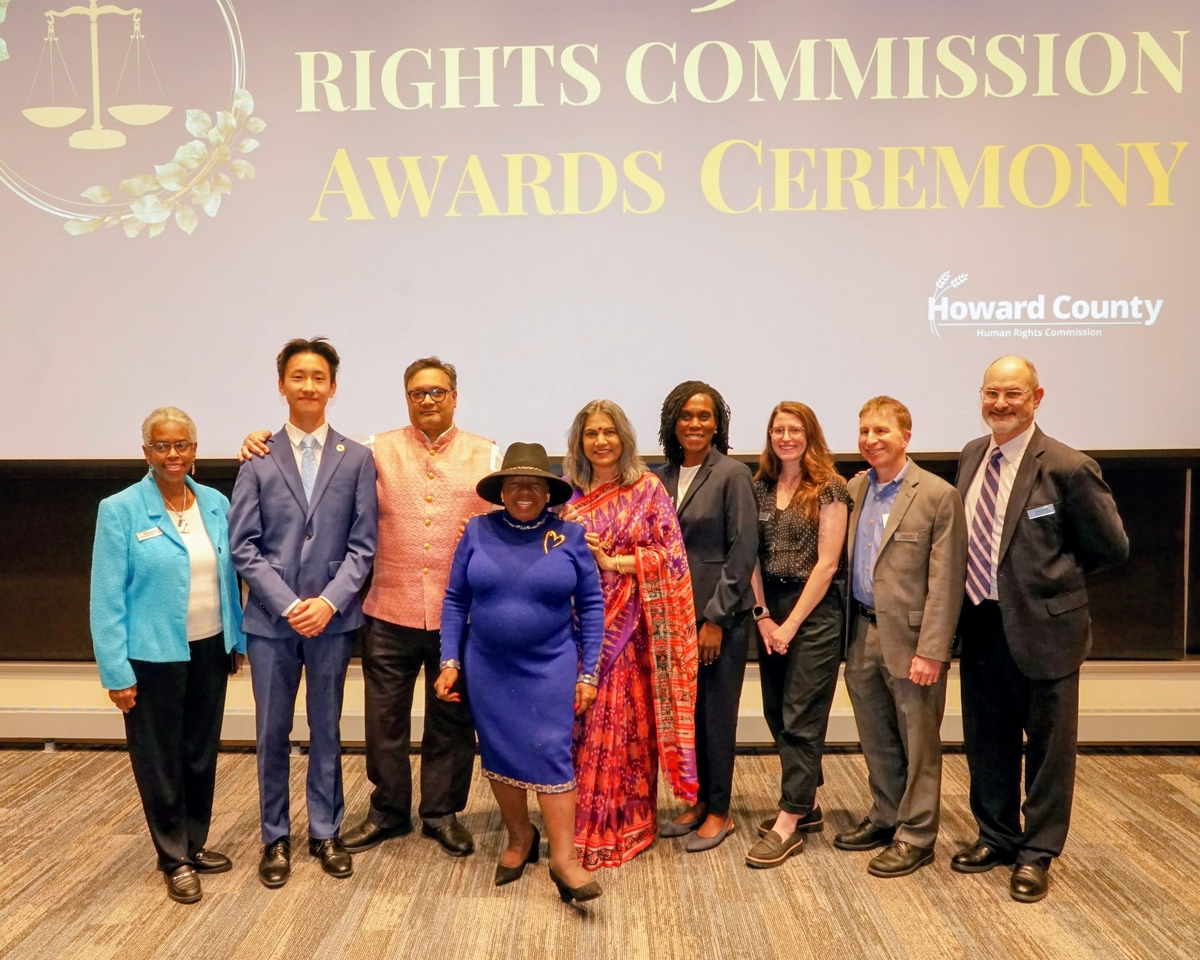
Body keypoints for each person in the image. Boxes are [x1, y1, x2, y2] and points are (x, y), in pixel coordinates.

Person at [240, 357, 497, 858]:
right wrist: (255, 439)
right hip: (388, 609)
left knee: (450, 721)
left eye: (438, 391)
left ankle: (441, 812)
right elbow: (310, 462)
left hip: (457, 616)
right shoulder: (372, 451)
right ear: (406, 398)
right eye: (418, 392)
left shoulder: (487, 455)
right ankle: (388, 812)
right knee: (385, 722)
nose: (428, 400)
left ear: (454, 397)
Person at [952, 356, 1127, 903]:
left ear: (1036, 396)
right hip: (981, 622)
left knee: (1050, 748)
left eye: (1012, 393)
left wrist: (1050, 585)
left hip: (1046, 629)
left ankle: (1036, 852)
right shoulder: (972, 455)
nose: (1000, 403)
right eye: (991, 393)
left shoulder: (1069, 467)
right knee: (987, 739)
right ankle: (997, 835)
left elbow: (1111, 547)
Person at [228, 338, 378, 888]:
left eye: (319, 377)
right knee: (271, 732)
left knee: (327, 728)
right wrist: (290, 604)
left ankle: (324, 829)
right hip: (272, 622)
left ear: (333, 387)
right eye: (298, 376)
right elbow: (243, 545)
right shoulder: (258, 456)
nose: (309, 386)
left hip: (333, 620)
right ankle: (274, 837)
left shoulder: (357, 458)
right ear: (282, 385)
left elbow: (364, 546)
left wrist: (328, 601)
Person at [434, 443, 605, 903]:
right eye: (514, 484)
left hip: (551, 664)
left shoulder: (569, 535)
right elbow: (455, 601)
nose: (524, 492)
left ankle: (564, 860)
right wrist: (449, 661)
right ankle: (518, 837)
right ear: (501, 490)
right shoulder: (477, 530)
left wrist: (588, 672)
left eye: (534, 484)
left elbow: (591, 605)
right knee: (500, 754)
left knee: (551, 751)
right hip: (488, 666)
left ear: (549, 493)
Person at [90, 407, 246, 904]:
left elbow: (228, 578)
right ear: (147, 453)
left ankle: (195, 844)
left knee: (200, 753)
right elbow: (106, 597)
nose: (173, 454)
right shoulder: (121, 510)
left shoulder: (216, 503)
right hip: (151, 657)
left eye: (182, 445)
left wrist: (234, 641)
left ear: (195, 450)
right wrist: (116, 671)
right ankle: (173, 856)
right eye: (162, 446)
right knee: (159, 760)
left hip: (208, 646)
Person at [560, 400, 699, 868]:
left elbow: (672, 558)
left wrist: (614, 562)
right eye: (591, 433)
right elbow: (542, 552)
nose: (601, 441)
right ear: (580, 442)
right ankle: (580, 823)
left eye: (609, 432)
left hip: (630, 631)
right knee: (580, 728)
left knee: (623, 727)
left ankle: (627, 822)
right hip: (574, 630)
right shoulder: (566, 496)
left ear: (624, 437)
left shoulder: (647, 489)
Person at [837, 397, 967, 877]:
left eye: (882, 431)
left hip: (913, 643)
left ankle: (916, 834)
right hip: (861, 635)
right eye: (864, 430)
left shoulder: (936, 495)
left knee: (919, 744)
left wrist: (933, 650)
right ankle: (886, 814)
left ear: (906, 437)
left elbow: (947, 582)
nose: (871, 440)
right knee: (876, 738)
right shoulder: (853, 490)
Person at [744, 401, 851, 869]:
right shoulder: (758, 487)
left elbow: (827, 563)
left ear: (810, 434)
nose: (786, 437)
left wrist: (790, 624)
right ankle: (805, 803)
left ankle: (788, 821)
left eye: (794, 429)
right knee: (775, 710)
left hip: (816, 611)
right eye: (778, 429)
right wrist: (764, 615)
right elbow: (747, 554)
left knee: (801, 715)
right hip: (770, 608)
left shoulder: (831, 487)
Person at [653, 382, 758, 852]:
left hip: (717, 622)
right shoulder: (661, 477)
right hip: (672, 620)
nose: (695, 424)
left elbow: (743, 553)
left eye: (704, 416)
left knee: (716, 717)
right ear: (672, 422)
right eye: (686, 416)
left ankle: (720, 812)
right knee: (688, 718)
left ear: (718, 423)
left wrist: (715, 618)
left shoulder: (732, 474)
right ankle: (696, 802)